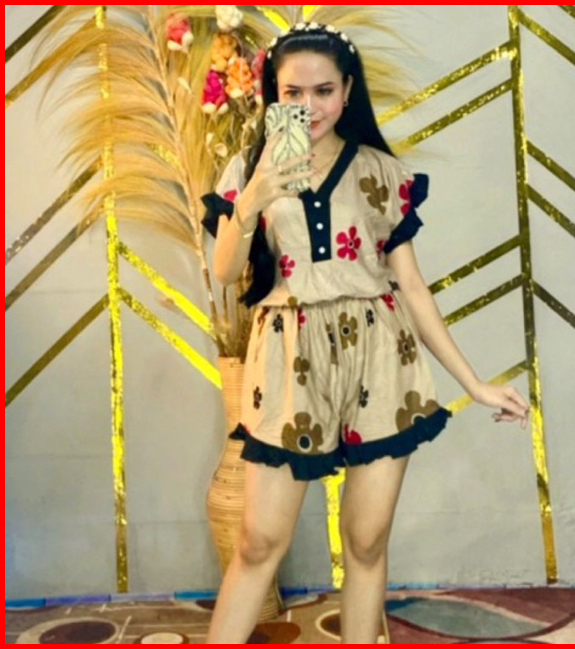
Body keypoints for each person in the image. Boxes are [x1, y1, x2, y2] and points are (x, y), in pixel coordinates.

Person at [200, 22, 530, 644]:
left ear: (348, 90)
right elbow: (223, 271)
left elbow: (412, 286)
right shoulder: (247, 169)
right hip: (288, 357)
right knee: (258, 542)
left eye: (324, 91)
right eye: (292, 93)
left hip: (380, 355)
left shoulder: (379, 171)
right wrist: (254, 197)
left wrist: (474, 384)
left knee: (367, 540)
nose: (309, 106)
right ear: (273, 94)